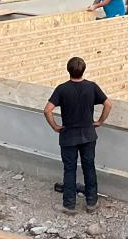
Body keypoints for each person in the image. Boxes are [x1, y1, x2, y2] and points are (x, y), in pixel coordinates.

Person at [44, 56, 112, 214]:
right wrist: (100, 121)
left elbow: (47, 110)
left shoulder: (62, 89)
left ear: (68, 70)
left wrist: (55, 126)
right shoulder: (92, 87)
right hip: (88, 134)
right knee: (89, 167)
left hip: (68, 136)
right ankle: (91, 203)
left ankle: (69, 205)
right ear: (84, 70)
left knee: (69, 169)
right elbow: (108, 104)